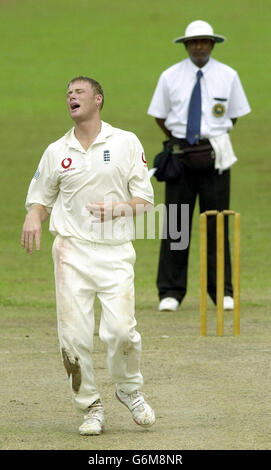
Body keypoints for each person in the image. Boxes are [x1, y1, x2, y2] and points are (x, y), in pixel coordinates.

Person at [21, 76, 155, 435]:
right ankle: (90, 406)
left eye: (78, 92)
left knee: (121, 332)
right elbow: (41, 198)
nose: (70, 97)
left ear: (98, 99)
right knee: (74, 337)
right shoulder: (57, 150)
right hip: (71, 251)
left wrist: (119, 208)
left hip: (114, 253)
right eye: (67, 93)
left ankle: (128, 388)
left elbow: (145, 201)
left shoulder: (125, 142)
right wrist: (34, 215)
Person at [147, 20, 251, 312]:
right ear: (186, 45)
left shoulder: (228, 76)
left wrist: (207, 139)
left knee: (217, 223)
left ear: (212, 44)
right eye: (193, 42)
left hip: (216, 155)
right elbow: (159, 115)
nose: (199, 47)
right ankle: (171, 292)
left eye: (204, 42)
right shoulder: (170, 76)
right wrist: (184, 141)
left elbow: (234, 116)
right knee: (177, 225)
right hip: (180, 156)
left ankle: (222, 292)